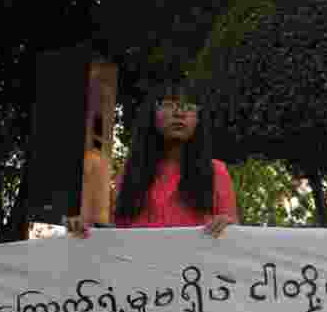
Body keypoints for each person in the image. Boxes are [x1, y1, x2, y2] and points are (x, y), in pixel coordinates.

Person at [65, 80, 238, 237]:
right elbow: (112, 234)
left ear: (199, 120)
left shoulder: (216, 171)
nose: (179, 113)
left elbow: (234, 237)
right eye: (169, 104)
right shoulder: (129, 173)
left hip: (192, 271)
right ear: (152, 115)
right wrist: (83, 230)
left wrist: (228, 226)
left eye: (189, 107)